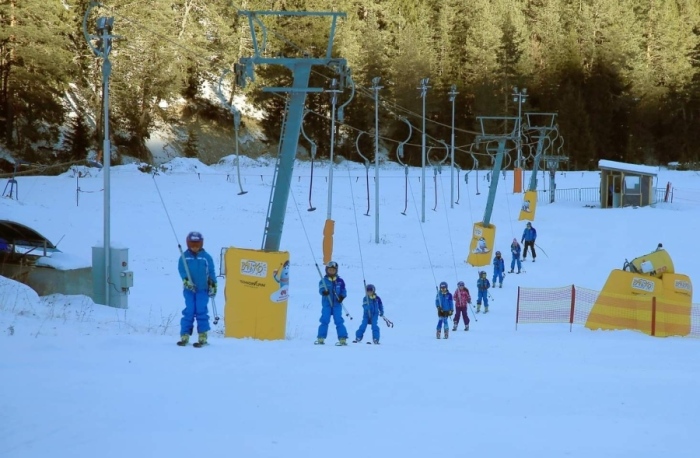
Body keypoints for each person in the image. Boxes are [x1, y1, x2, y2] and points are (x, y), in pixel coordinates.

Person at [177, 231, 217, 347]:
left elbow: (211, 272)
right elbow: (182, 270)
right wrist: (186, 281)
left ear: (201, 244)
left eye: (197, 244)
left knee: (201, 311)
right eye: (192, 244)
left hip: (202, 290)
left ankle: (203, 335)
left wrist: (213, 284)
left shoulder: (206, 258)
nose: (195, 247)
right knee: (189, 310)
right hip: (189, 290)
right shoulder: (185, 258)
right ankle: (185, 334)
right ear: (188, 244)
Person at [315, 261, 349, 345]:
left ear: (336, 271)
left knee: (338, 320)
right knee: (324, 320)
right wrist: (324, 292)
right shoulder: (323, 281)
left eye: (333, 270)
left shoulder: (340, 281)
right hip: (327, 304)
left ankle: (342, 338)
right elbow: (321, 289)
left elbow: (344, 291)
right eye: (330, 270)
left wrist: (342, 297)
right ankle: (321, 338)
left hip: (337, 305)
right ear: (327, 270)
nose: (331, 272)